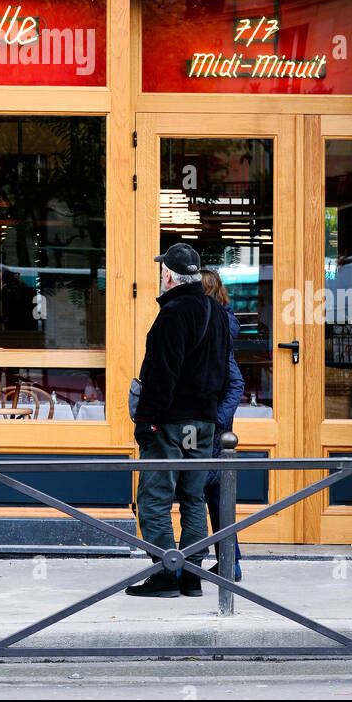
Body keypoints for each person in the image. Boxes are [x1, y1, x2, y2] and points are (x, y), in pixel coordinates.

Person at [127, 243, 231, 598]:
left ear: (168, 275)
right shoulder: (216, 313)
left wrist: (146, 419)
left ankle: (164, 573)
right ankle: (191, 573)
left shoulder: (172, 313)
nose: (161, 278)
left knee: (155, 498)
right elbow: (222, 370)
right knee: (193, 498)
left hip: (169, 421)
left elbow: (161, 372)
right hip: (203, 422)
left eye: (162, 273)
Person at [201, 268, 244, 582]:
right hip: (211, 422)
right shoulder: (221, 320)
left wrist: (216, 420)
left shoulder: (216, 325)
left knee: (206, 489)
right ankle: (230, 562)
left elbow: (234, 382)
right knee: (214, 491)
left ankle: (227, 562)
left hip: (210, 425)